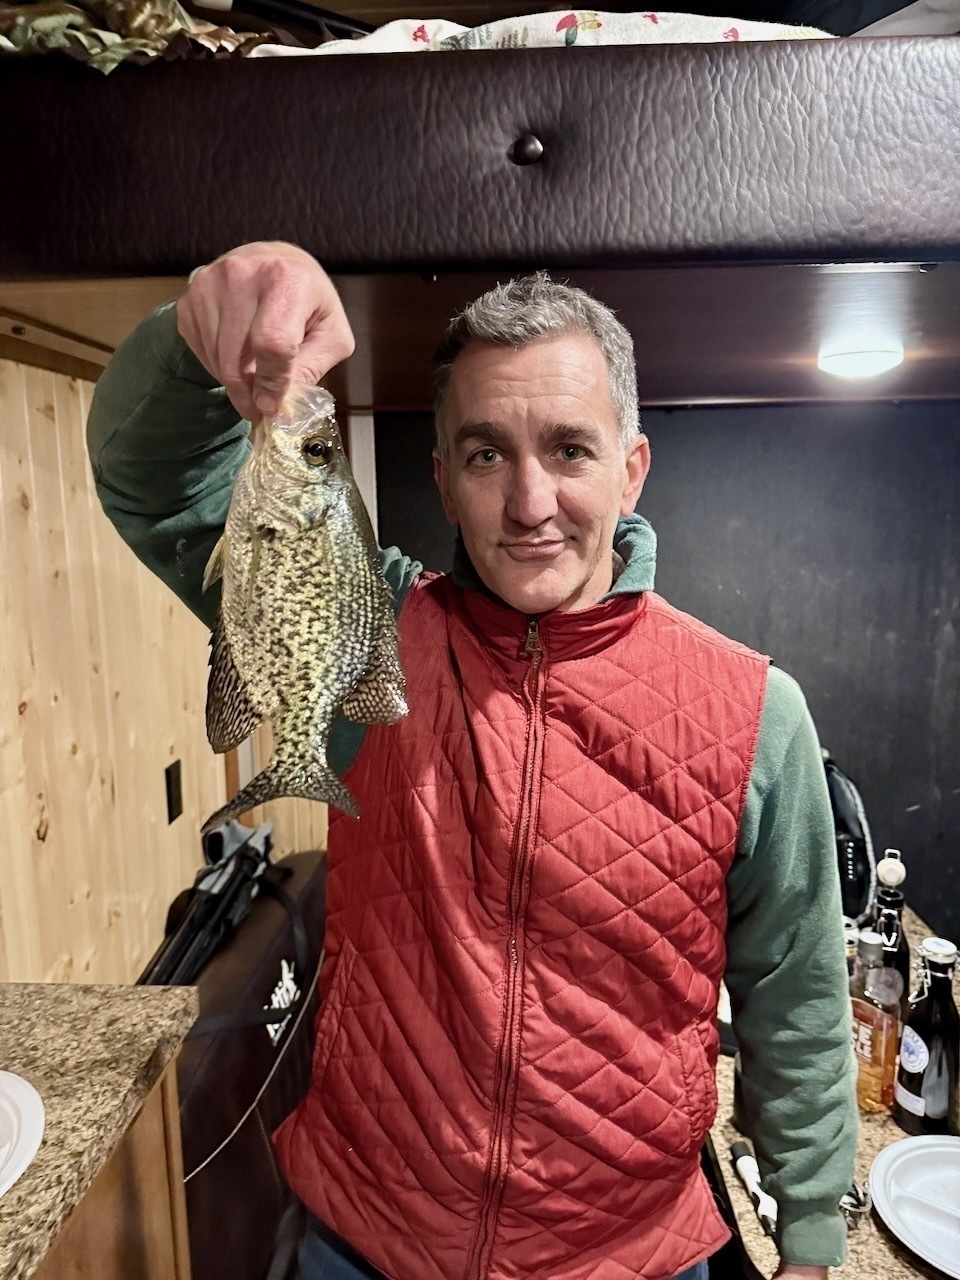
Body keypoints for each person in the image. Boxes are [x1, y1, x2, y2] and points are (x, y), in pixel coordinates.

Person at [87, 241, 857, 1280]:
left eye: (571, 449)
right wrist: (191, 336)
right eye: (488, 453)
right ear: (444, 480)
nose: (531, 500)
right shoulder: (365, 630)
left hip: (628, 1257)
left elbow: (797, 1001)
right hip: (360, 1243)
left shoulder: (759, 714)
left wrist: (810, 1238)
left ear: (632, 465)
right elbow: (151, 477)